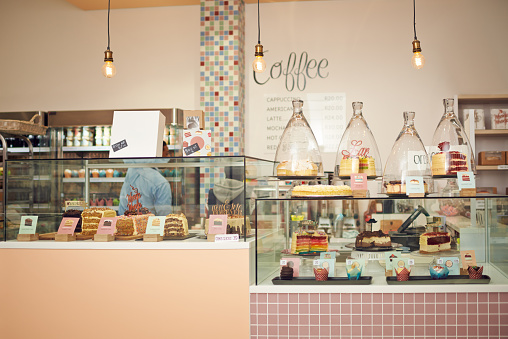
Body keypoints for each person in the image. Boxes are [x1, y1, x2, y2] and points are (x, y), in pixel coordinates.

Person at [118, 142, 172, 216]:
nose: (168, 157)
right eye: (166, 153)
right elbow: (164, 217)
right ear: (157, 153)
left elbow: (123, 205)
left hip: (127, 224)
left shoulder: (131, 170)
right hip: (149, 225)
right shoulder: (161, 183)